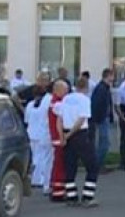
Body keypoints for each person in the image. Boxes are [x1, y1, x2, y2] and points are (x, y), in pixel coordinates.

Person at [57, 76, 99, 206]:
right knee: (92, 166)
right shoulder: (85, 100)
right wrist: (69, 135)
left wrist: (62, 136)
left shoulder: (66, 98)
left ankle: (71, 196)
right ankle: (88, 195)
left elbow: (59, 119)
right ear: (86, 87)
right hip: (80, 134)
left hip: (66, 132)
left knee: (70, 166)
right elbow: (81, 119)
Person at [25, 84, 53, 193]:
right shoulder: (46, 103)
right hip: (43, 133)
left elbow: (26, 120)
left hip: (31, 133)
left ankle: (34, 178)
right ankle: (41, 179)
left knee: (35, 157)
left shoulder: (30, 105)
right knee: (44, 158)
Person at [47, 79, 69, 202]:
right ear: (58, 90)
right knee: (60, 166)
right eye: (65, 90)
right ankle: (58, 192)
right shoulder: (57, 104)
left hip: (57, 138)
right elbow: (59, 123)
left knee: (58, 165)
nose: (67, 93)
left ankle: (57, 189)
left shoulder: (54, 102)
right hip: (59, 138)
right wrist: (62, 138)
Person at [89, 69, 115, 171]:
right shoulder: (101, 88)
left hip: (104, 117)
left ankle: (98, 164)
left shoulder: (105, 88)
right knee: (104, 142)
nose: (113, 78)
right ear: (108, 76)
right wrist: (98, 118)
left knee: (103, 142)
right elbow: (97, 105)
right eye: (112, 76)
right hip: (102, 119)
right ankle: (97, 165)